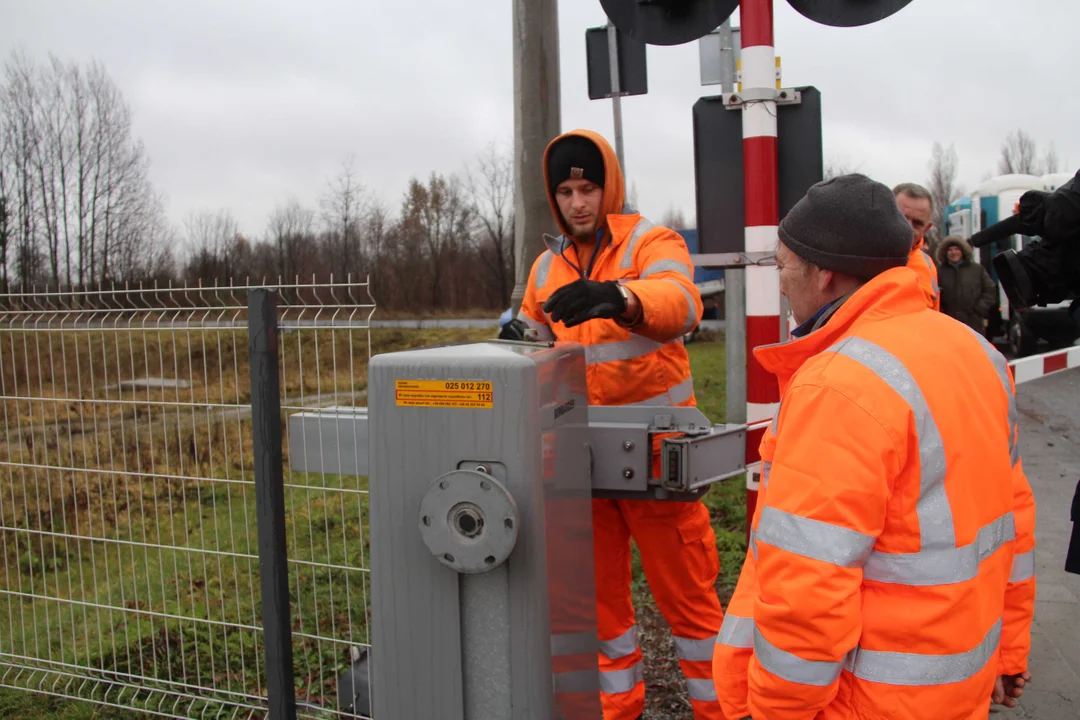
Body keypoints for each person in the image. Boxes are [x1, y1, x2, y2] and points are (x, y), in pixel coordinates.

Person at [711, 174, 1036, 719]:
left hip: (868, 700)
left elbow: (808, 593)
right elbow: (1014, 524)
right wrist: (1009, 651)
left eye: (784, 264)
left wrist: (777, 711)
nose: (782, 282)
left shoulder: (839, 385)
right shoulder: (976, 354)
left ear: (826, 271)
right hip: (959, 687)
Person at [506, 129, 724, 720]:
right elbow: (532, 342)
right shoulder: (545, 268)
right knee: (597, 613)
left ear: (610, 188)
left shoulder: (653, 241)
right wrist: (516, 338)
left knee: (694, 610)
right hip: (579, 466)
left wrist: (622, 299)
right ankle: (614, 712)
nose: (578, 202)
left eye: (589, 187)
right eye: (567, 191)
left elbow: (682, 301)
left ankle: (725, 712)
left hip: (659, 462)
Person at [936, 235, 998, 333]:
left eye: (957, 249)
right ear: (945, 253)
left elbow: (990, 289)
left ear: (963, 251)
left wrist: (979, 309)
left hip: (974, 324)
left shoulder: (977, 270)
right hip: (948, 324)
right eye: (950, 250)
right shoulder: (939, 272)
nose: (953, 252)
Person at [894, 182, 941, 310]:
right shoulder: (861, 255)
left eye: (917, 223)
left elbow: (934, 316)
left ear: (926, 229)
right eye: (902, 218)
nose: (908, 228)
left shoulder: (928, 266)